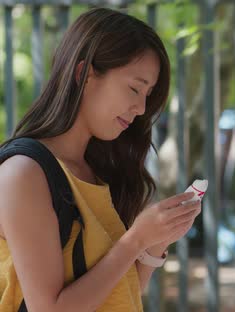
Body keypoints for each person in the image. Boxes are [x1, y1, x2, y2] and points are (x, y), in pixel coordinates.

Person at [0, 7, 201, 311]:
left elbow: (119, 292)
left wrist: (158, 241)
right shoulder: (24, 173)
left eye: (148, 94)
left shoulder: (98, 170)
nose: (140, 108)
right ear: (84, 74)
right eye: (134, 88)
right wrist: (135, 240)